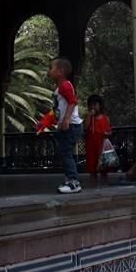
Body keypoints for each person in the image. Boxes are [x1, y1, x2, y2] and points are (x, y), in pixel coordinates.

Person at [47, 57, 83, 193]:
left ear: (60, 71)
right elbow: (57, 109)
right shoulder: (59, 88)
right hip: (65, 125)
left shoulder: (65, 85)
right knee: (64, 153)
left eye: (51, 68)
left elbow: (73, 101)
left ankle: (74, 182)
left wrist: (66, 120)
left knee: (66, 153)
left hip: (71, 125)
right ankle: (69, 179)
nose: (48, 71)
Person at [84, 94, 112, 182]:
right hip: (91, 145)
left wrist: (107, 133)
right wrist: (89, 115)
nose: (93, 107)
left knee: (103, 168)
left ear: (100, 105)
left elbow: (110, 131)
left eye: (95, 105)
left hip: (102, 145)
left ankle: (104, 184)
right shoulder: (89, 118)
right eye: (91, 105)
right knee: (92, 167)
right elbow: (85, 127)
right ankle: (93, 183)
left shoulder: (105, 118)